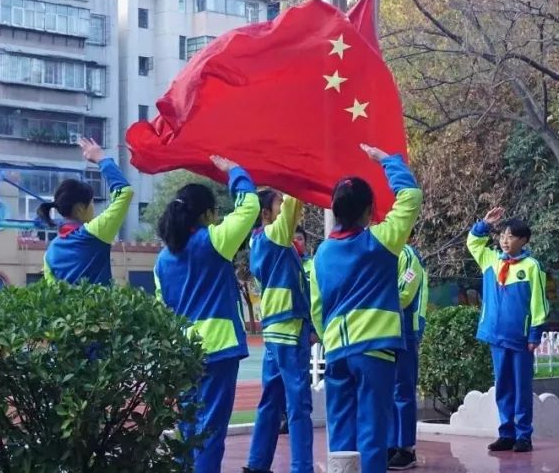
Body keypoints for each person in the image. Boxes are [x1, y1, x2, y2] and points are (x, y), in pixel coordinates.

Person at [310, 144, 423, 473]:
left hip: (336, 352)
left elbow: (318, 307)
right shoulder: (382, 240)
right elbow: (411, 196)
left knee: (342, 430)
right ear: (371, 209)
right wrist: (388, 162)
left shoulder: (321, 254)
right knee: (374, 430)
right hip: (374, 349)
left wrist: (330, 338)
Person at [154, 155, 260, 473]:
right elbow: (250, 207)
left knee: (187, 427)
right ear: (208, 214)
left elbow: (164, 309)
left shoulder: (162, 260)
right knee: (210, 429)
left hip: (182, 352)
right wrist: (235, 171)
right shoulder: (214, 241)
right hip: (217, 349)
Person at [468, 209, 548, 453]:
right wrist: (484, 224)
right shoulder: (491, 260)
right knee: (502, 385)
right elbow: (473, 242)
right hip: (496, 336)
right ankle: (506, 432)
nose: (504, 240)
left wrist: (535, 333)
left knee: (521, 386)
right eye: (502, 235)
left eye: (511, 236)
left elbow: (539, 303)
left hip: (521, 338)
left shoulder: (532, 266)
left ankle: (524, 434)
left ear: (523, 241)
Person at [244, 191, 313, 473]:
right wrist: (290, 177)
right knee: (298, 406)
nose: (285, 208)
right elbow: (295, 199)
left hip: (274, 330)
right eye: (278, 205)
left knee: (271, 401)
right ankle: (301, 468)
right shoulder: (274, 236)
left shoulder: (260, 241)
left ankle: (257, 464)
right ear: (266, 214)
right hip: (288, 328)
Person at [39, 138, 133, 286]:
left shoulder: (50, 251)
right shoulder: (95, 232)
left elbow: (53, 294)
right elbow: (125, 192)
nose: (94, 208)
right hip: (100, 309)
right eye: (91, 203)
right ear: (80, 209)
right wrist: (101, 159)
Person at [387, 243, 428, 470]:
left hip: (405, 331)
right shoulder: (383, 250)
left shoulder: (409, 255)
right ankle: (391, 444)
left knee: (402, 390)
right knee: (388, 390)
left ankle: (406, 448)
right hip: (384, 330)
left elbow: (404, 293)